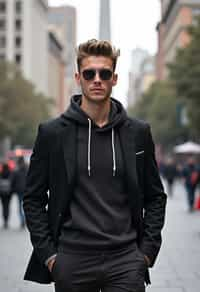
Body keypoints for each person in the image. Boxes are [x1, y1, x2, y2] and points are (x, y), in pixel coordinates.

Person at [23, 39, 167, 292]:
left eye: (105, 73)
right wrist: (50, 257)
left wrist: (146, 253)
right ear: (79, 78)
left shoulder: (138, 132)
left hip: (125, 261)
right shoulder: (53, 133)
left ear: (115, 79)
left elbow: (155, 196)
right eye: (89, 73)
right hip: (72, 260)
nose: (97, 79)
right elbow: (33, 198)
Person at [12, 156, 28, 228]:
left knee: (20, 207)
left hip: (19, 191)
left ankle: (22, 220)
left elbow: (13, 181)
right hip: (26, 190)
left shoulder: (16, 170)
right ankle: (24, 220)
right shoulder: (28, 169)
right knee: (26, 206)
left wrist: (13, 189)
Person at [0, 162, 12, 229]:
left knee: (4, 207)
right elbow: (12, 182)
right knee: (7, 206)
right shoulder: (10, 173)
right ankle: (7, 220)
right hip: (8, 193)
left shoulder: (1, 174)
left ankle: (5, 220)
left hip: (2, 193)